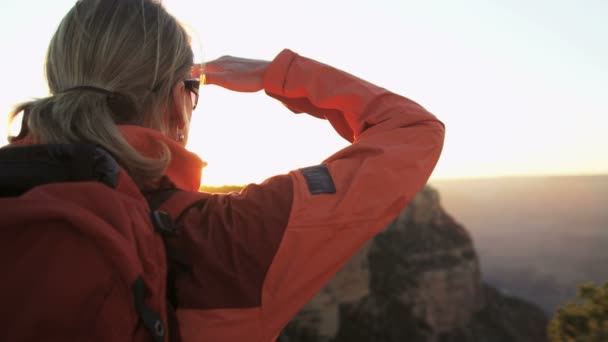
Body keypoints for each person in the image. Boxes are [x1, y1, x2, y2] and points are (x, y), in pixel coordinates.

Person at [4, 0, 444, 341]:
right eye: (191, 91)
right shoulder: (227, 237)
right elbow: (415, 130)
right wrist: (280, 74)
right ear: (178, 99)